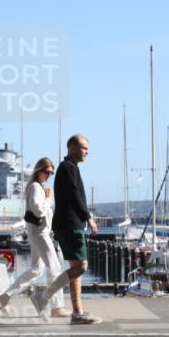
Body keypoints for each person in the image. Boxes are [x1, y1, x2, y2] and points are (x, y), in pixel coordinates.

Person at [31, 134, 100, 325]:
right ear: (72, 148)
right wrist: (89, 218)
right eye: (84, 147)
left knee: (75, 268)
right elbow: (75, 197)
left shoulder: (69, 168)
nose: (87, 151)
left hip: (66, 224)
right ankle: (44, 296)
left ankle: (77, 313)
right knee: (81, 267)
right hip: (71, 225)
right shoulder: (68, 168)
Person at [0, 158, 67, 318]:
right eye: (46, 171)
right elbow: (38, 210)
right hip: (40, 233)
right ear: (38, 170)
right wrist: (49, 199)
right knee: (54, 267)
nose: (49, 175)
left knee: (36, 269)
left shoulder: (39, 187)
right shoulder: (35, 187)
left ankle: (6, 296)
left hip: (37, 232)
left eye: (51, 173)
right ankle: (55, 306)